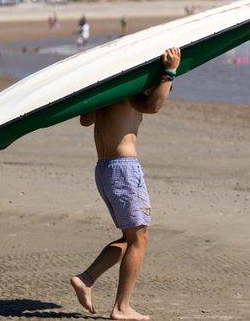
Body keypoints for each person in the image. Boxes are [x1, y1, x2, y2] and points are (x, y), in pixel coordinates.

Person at [71, 47, 181, 321]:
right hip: (123, 168)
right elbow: (152, 106)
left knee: (131, 237)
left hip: (104, 169)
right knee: (139, 238)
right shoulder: (128, 89)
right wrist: (168, 74)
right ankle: (122, 307)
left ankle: (86, 279)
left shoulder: (106, 91)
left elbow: (86, 120)